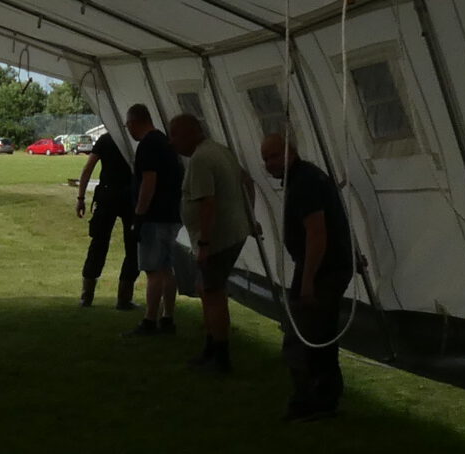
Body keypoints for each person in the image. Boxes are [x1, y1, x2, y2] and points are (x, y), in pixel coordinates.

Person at [258, 131, 354, 422]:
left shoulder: (305, 183)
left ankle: (309, 400)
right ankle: (325, 398)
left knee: (301, 337)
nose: (269, 164)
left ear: (291, 152)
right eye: (265, 159)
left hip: (323, 269)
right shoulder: (309, 177)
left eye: (275, 156)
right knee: (321, 335)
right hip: (331, 264)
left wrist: (308, 280)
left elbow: (316, 233)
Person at [171, 112, 252, 373]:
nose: (173, 142)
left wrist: (205, 243)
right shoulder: (220, 151)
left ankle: (220, 357)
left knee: (214, 294)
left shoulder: (201, 159)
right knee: (205, 289)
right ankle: (210, 348)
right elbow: (247, 180)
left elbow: (208, 203)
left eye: (176, 135)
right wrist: (249, 216)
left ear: (191, 133)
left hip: (217, 239)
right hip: (230, 233)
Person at [125, 105, 184, 336]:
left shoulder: (147, 145)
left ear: (133, 123)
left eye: (128, 126)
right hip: (172, 214)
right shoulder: (165, 142)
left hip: (154, 217)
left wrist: (139, 216)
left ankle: (150, 319)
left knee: (153, 270)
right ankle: (168, 317)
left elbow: (149, 182)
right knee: (167, 269)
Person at [73, 125, 137, 309]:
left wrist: (81, 198)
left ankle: (87, 295)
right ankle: (124, 298)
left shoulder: (106, 139)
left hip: (107, 194)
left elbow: (88, 168)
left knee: (98, 244)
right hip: (130, 197)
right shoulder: (134, 141)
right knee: (133, 247)